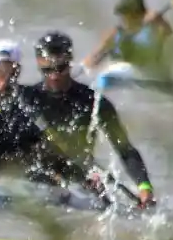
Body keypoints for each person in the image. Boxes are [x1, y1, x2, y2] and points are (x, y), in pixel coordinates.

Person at [18, 31, 154, 207]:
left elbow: (125, 150)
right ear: (38, 65)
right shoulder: (28, 99)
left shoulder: (95, 103)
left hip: (81, 179)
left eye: (61, 68)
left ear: (70, 61)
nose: (55, 76)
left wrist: (144, 188)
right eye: (47, 70)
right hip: (37, 178)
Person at [0, 39, 97, 190]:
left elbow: (51, 140)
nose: (3, 76)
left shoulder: (31, 98)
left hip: (30, 173)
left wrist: (84, 173)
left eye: (9, 70)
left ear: (17, 71)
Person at [83, 0, 173, 72]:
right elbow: (94, 55)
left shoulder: (153, 28)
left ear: (140, 14)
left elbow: (170, 36)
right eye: (123, 15)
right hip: (125, 73)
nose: (124, 19)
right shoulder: (114, 34)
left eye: (128, 15)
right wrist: (89, 64)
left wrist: (161, 21)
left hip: (152, 72)